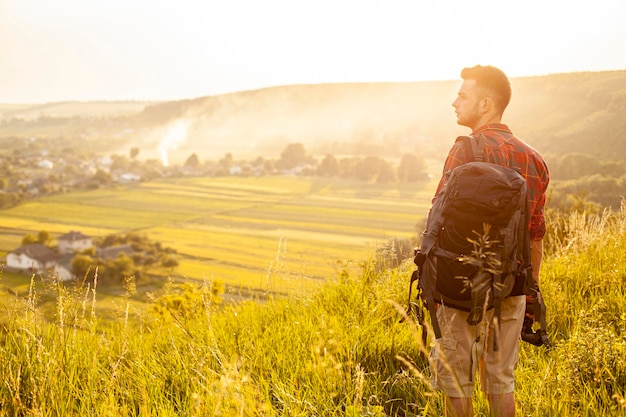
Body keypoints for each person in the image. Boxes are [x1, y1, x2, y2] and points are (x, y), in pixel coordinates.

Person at [428, 65, 550, 417]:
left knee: (457, 384)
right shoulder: (535, 160)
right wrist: (530, 290)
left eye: (462, 96)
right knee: (500, 382)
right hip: (511, 286)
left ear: (484, 104)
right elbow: (535, 235)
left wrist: (431, 283)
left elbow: (438, 218)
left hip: (458, 286)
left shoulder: (464, 149)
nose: (454, 102)